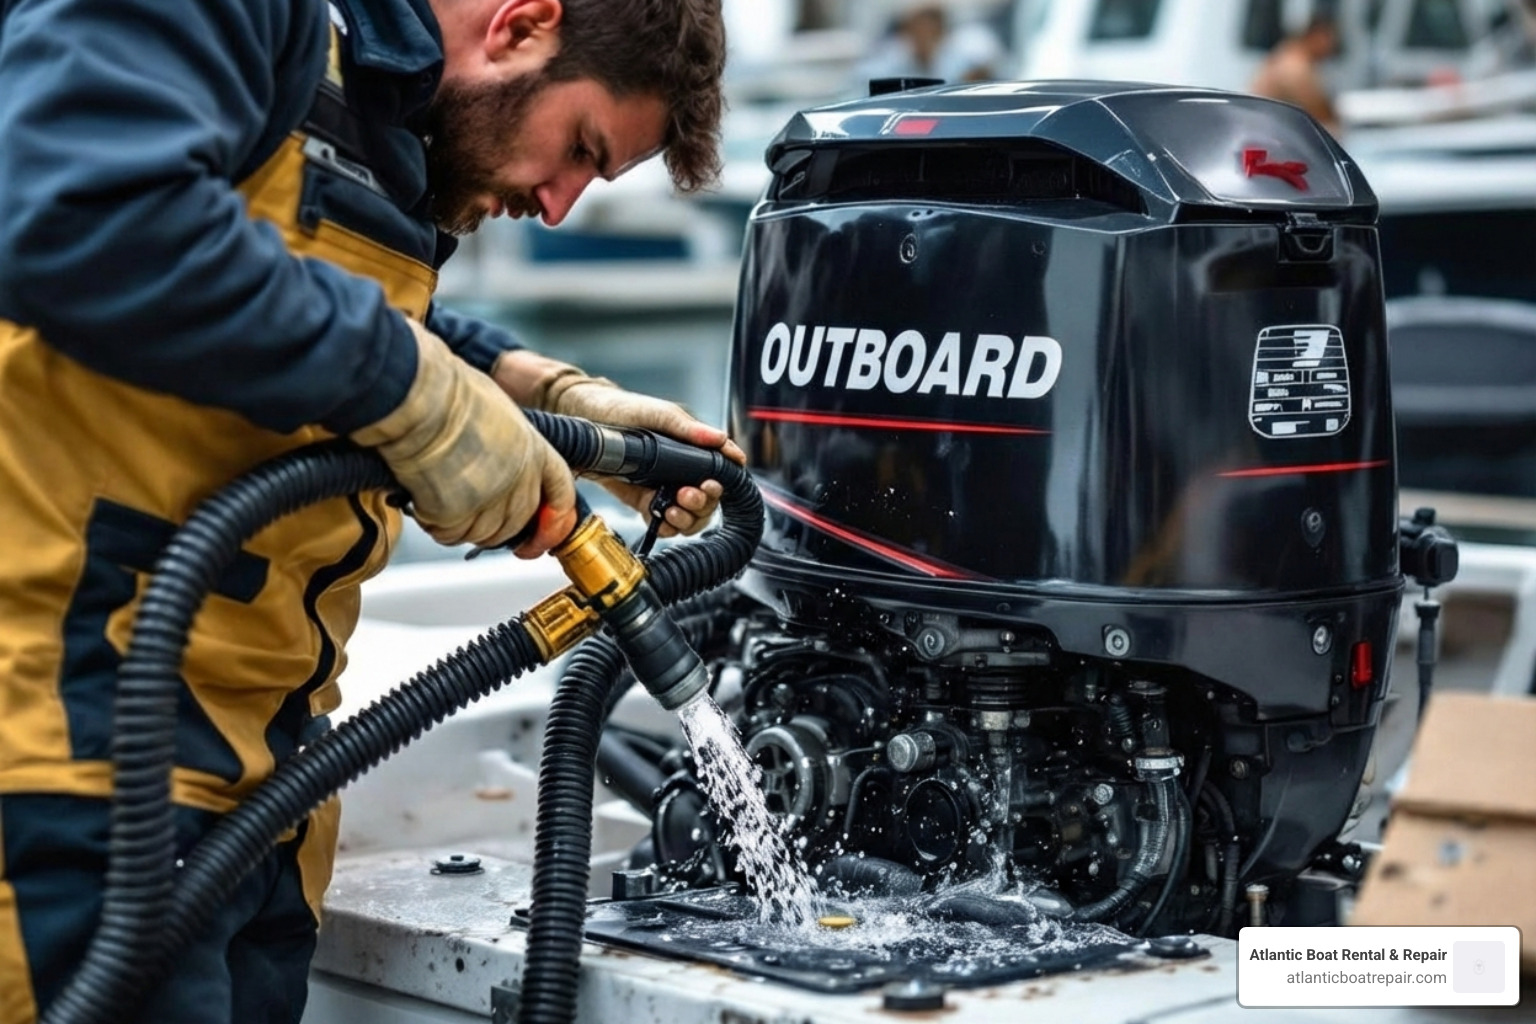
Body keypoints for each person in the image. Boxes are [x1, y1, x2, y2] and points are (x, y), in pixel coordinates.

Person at [0, 0, 735, 1020]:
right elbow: (86, 211)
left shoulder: (382, 114)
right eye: (578, 149)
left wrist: (547, 399)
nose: (560, 205)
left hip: (263, 800)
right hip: (72, 767)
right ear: (522, 25)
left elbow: (309, 285)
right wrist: (418, 396)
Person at [855, 1, 1005, 88]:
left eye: (932, 22)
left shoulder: (963, 53)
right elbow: (864, 79)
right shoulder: (891, 57)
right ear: (906, 28)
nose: (925, 31)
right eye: (918, 25)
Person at [1249, 13, 1343, 135]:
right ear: (1315, 36)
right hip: (1265, 131)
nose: (1331, 47)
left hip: (1270, 128)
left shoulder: (1292, 54)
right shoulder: (1294, 63)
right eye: (1328, 40)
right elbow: (1317, 107)